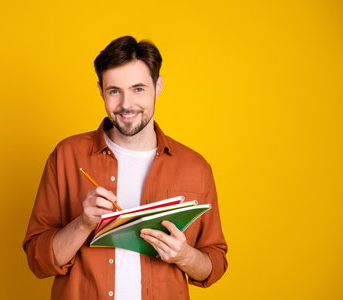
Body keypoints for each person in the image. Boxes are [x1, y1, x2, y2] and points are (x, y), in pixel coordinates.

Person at [23, 36, 228, 300]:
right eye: (114, 91)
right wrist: (83, 224)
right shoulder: (66, 156)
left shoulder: (195, 167)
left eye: (138, 89)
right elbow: (37, 261)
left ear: (158, 85)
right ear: (101, 91)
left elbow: (215, 265)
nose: (126, 104)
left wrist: (184, 255)